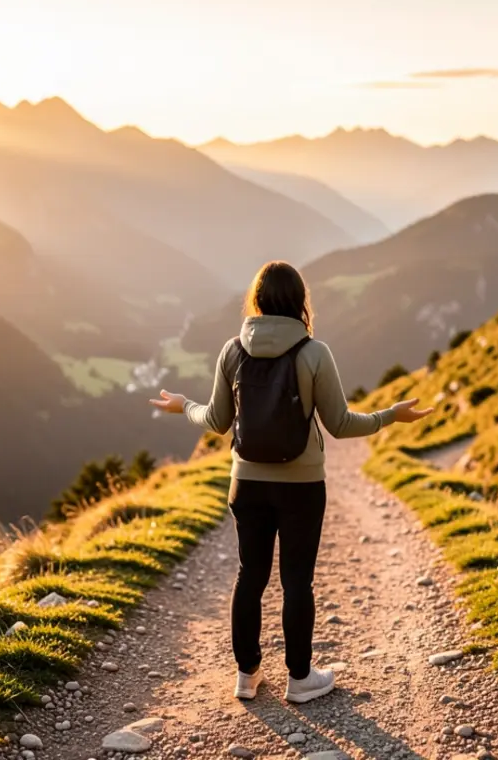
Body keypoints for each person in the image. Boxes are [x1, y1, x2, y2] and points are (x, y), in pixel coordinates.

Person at [149, 260, 432, 703]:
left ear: (257, 300)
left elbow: (219, 420)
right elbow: (339, 424)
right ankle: (300, 679)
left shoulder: (231, 350)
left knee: (250, 577)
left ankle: (247, 675)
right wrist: (388, 417)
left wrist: (184, 405)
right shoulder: (313, 352)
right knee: (297, 580)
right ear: (301, 301)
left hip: (246, 482)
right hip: (301, 486)